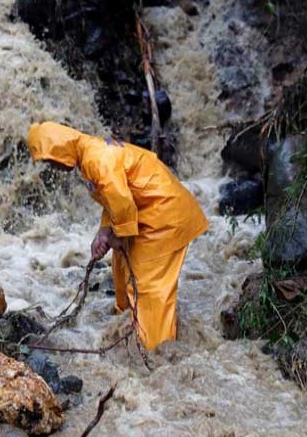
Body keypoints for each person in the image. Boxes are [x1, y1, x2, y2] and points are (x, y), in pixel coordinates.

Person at [27, 122, 208, 350]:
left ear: (58, 149)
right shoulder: (89, 153)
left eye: (48, 159)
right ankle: (129, 330)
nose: (50, 166)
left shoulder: (96, 159)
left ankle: (156, 351)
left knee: (148, 288)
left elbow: (122, 203)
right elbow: (113, 199)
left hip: (164, 217)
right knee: (122, 272)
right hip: (148, 213)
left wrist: (118, 237)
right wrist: (103, 234)